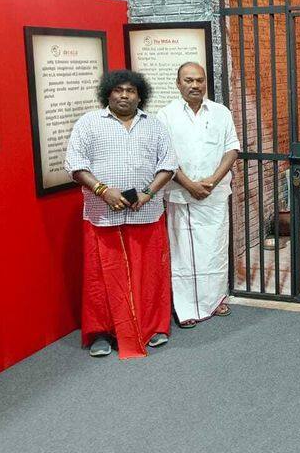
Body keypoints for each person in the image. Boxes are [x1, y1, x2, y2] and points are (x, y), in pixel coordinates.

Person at [64, 70, 177, 358]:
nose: (124, 95)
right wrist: (103, 190)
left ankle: (152, 327)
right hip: (103, 216)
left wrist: (148, 193)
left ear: (140, 95)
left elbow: (169, 164)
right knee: (101, 278)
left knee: (150, 273)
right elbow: (74, 164)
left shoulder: (155, 126)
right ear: (108, 93)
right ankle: (102, 332)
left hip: (146, 213)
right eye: (118, 90)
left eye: (131, 91)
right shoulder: (89, 123)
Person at [157, 62, 239, 328]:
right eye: (189, 80)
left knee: (214, 248)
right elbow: (163, 157)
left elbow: (231, 149)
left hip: (214, 195)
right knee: (184, 253)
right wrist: (188, 184)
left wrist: (212, 181)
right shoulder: (166, 115)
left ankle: (215, 300)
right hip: (181, 194)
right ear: (178, 83)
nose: (195, 85)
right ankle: (187, 308)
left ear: (206, 83)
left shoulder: (220, 112)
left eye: (199, 80)